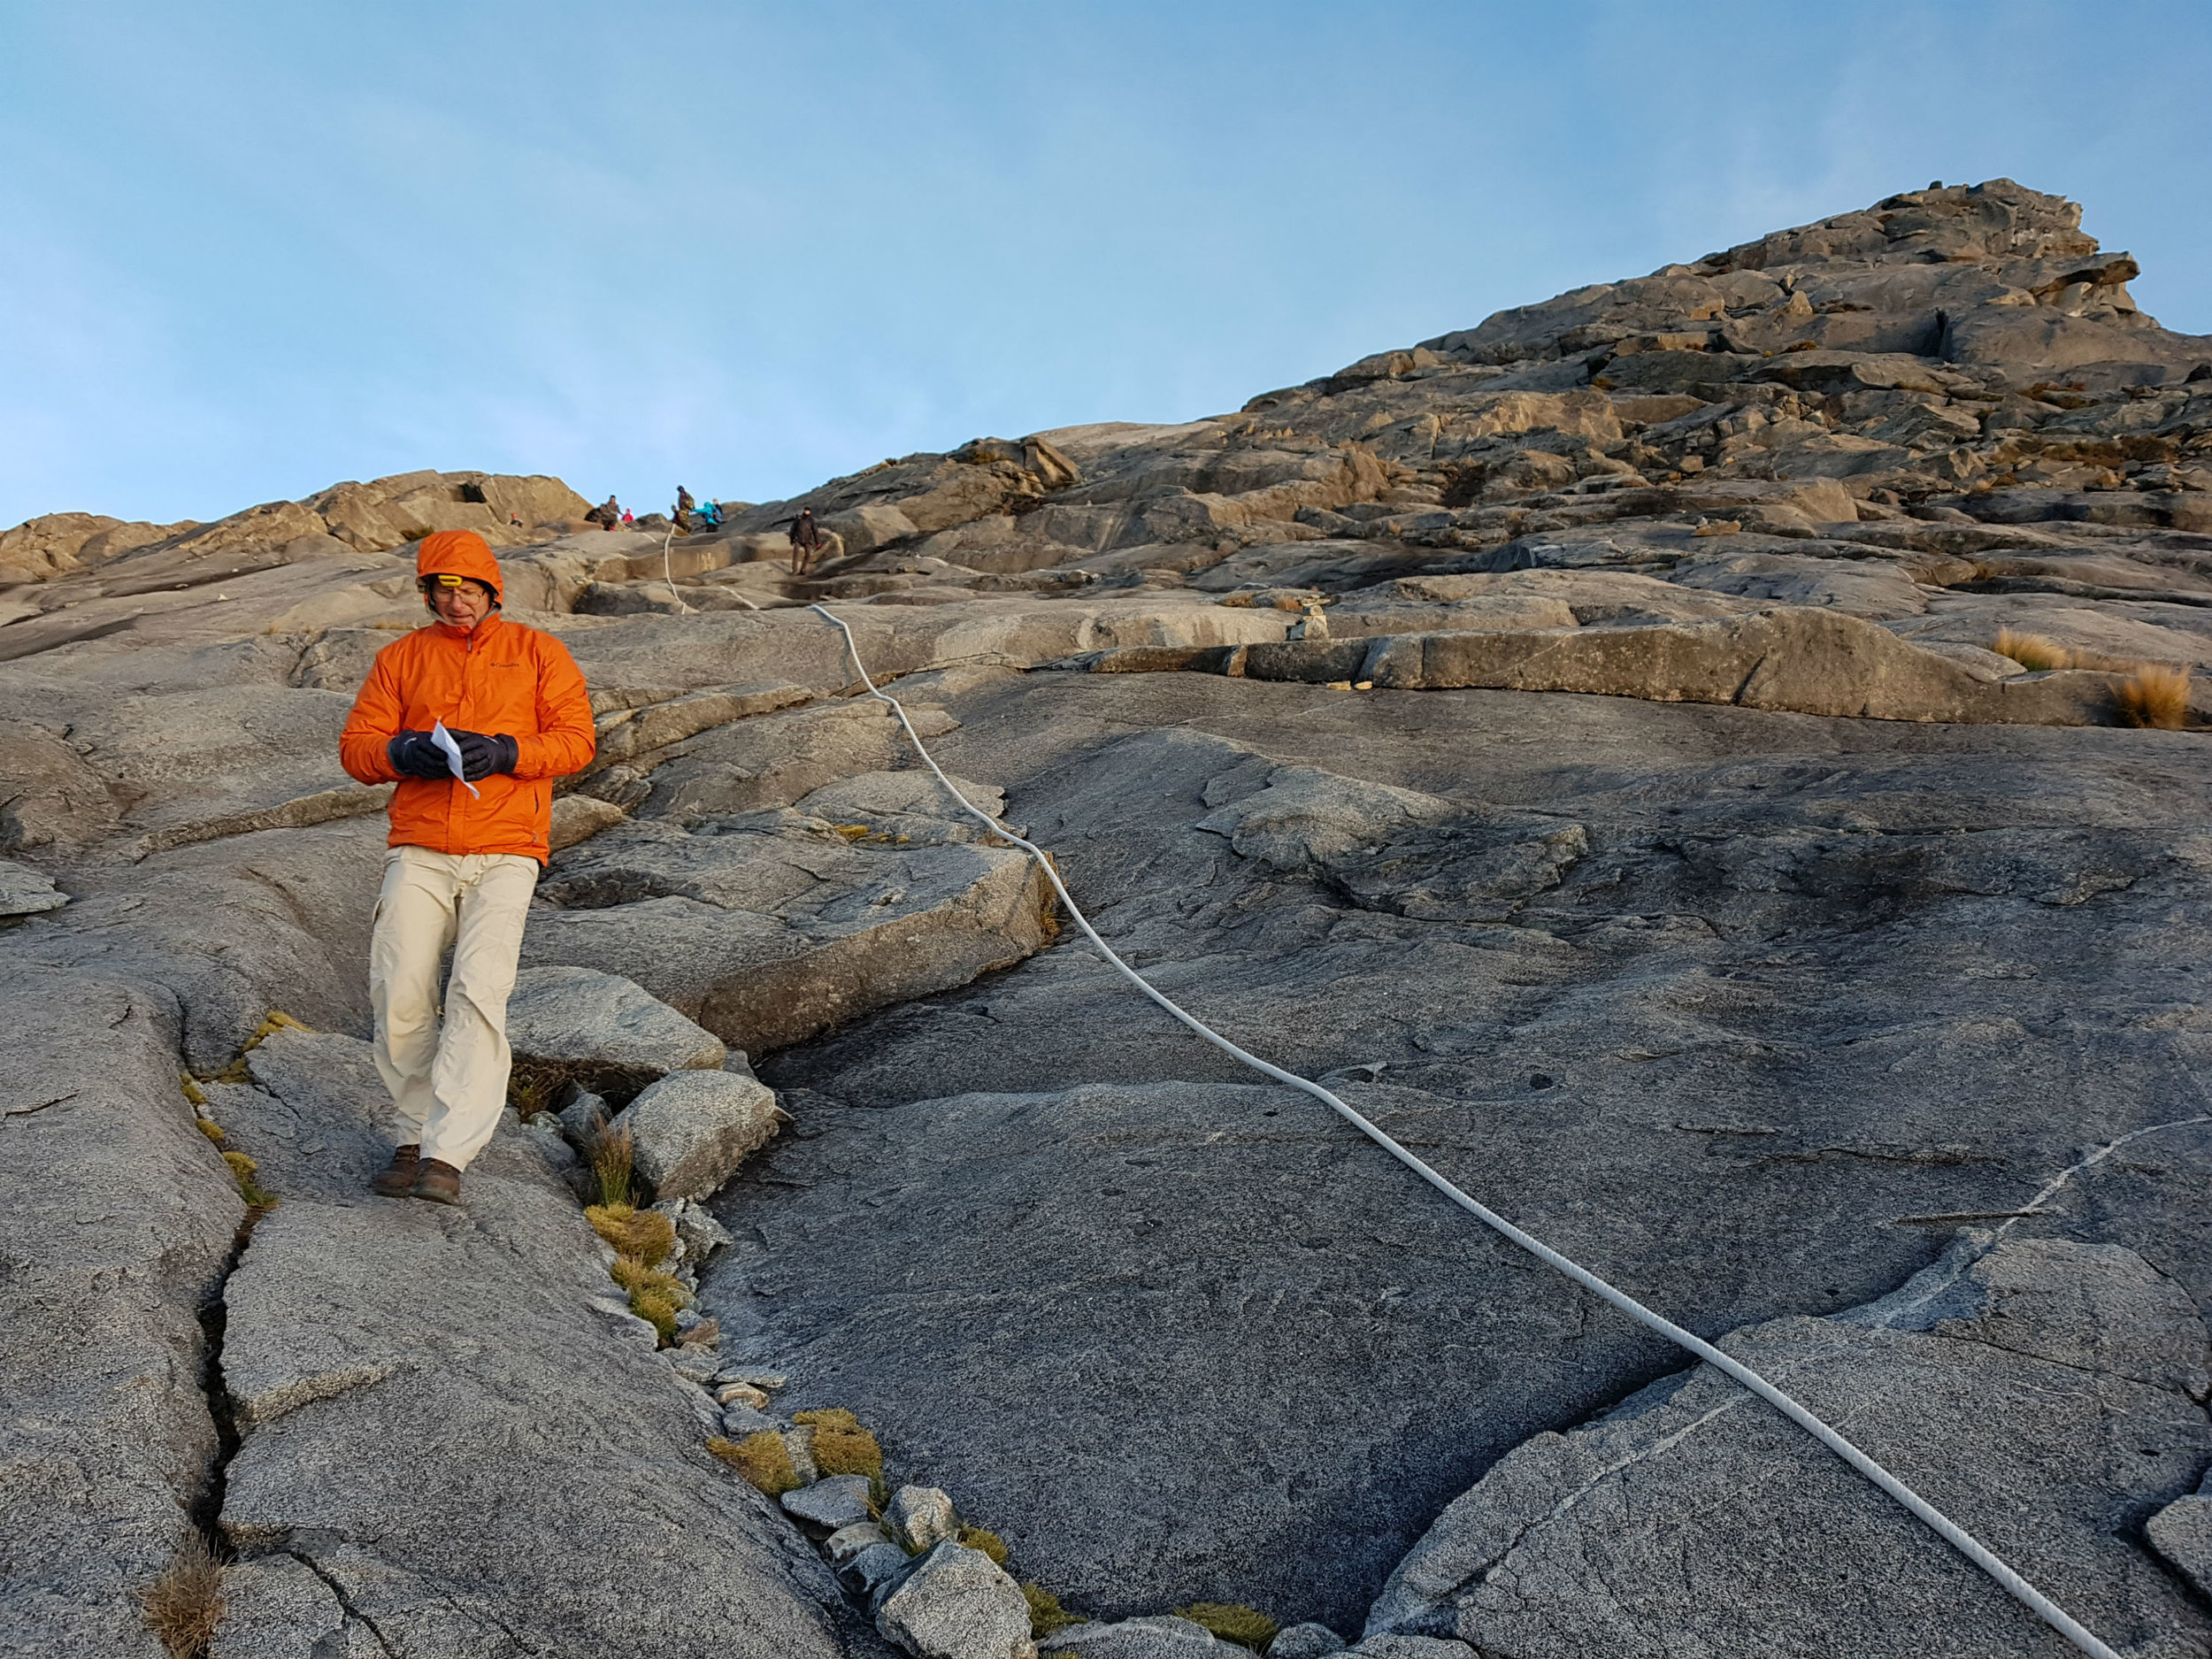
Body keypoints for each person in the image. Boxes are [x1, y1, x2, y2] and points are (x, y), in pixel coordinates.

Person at [337, 531, 595, 1206]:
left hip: (509, 850)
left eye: (469, 588)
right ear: (426, 592)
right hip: (420, 845)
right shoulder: (399, 658)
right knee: (399, 990)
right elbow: (357, 749)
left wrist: (508, 750)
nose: (456, 602)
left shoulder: (539, 651)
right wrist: (403, 752)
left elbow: (577, 740)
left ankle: (447, 1155)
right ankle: (411, 1135)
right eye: (443, 589)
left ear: (491, 590)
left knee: (479, 992)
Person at [788, 507, 824, 575]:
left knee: (808, 554)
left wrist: (818, 542)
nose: (807, 512)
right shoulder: (799, 519)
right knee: (796, 554)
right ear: (804, 511)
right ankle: (794, 570)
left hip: (808, 540)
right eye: (806, 511)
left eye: (808, 511)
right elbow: (793, 529)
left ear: (810, 512)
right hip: (798, 539)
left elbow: (815, 531)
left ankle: (803, 569)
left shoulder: (811, 520)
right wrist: (791, 539)